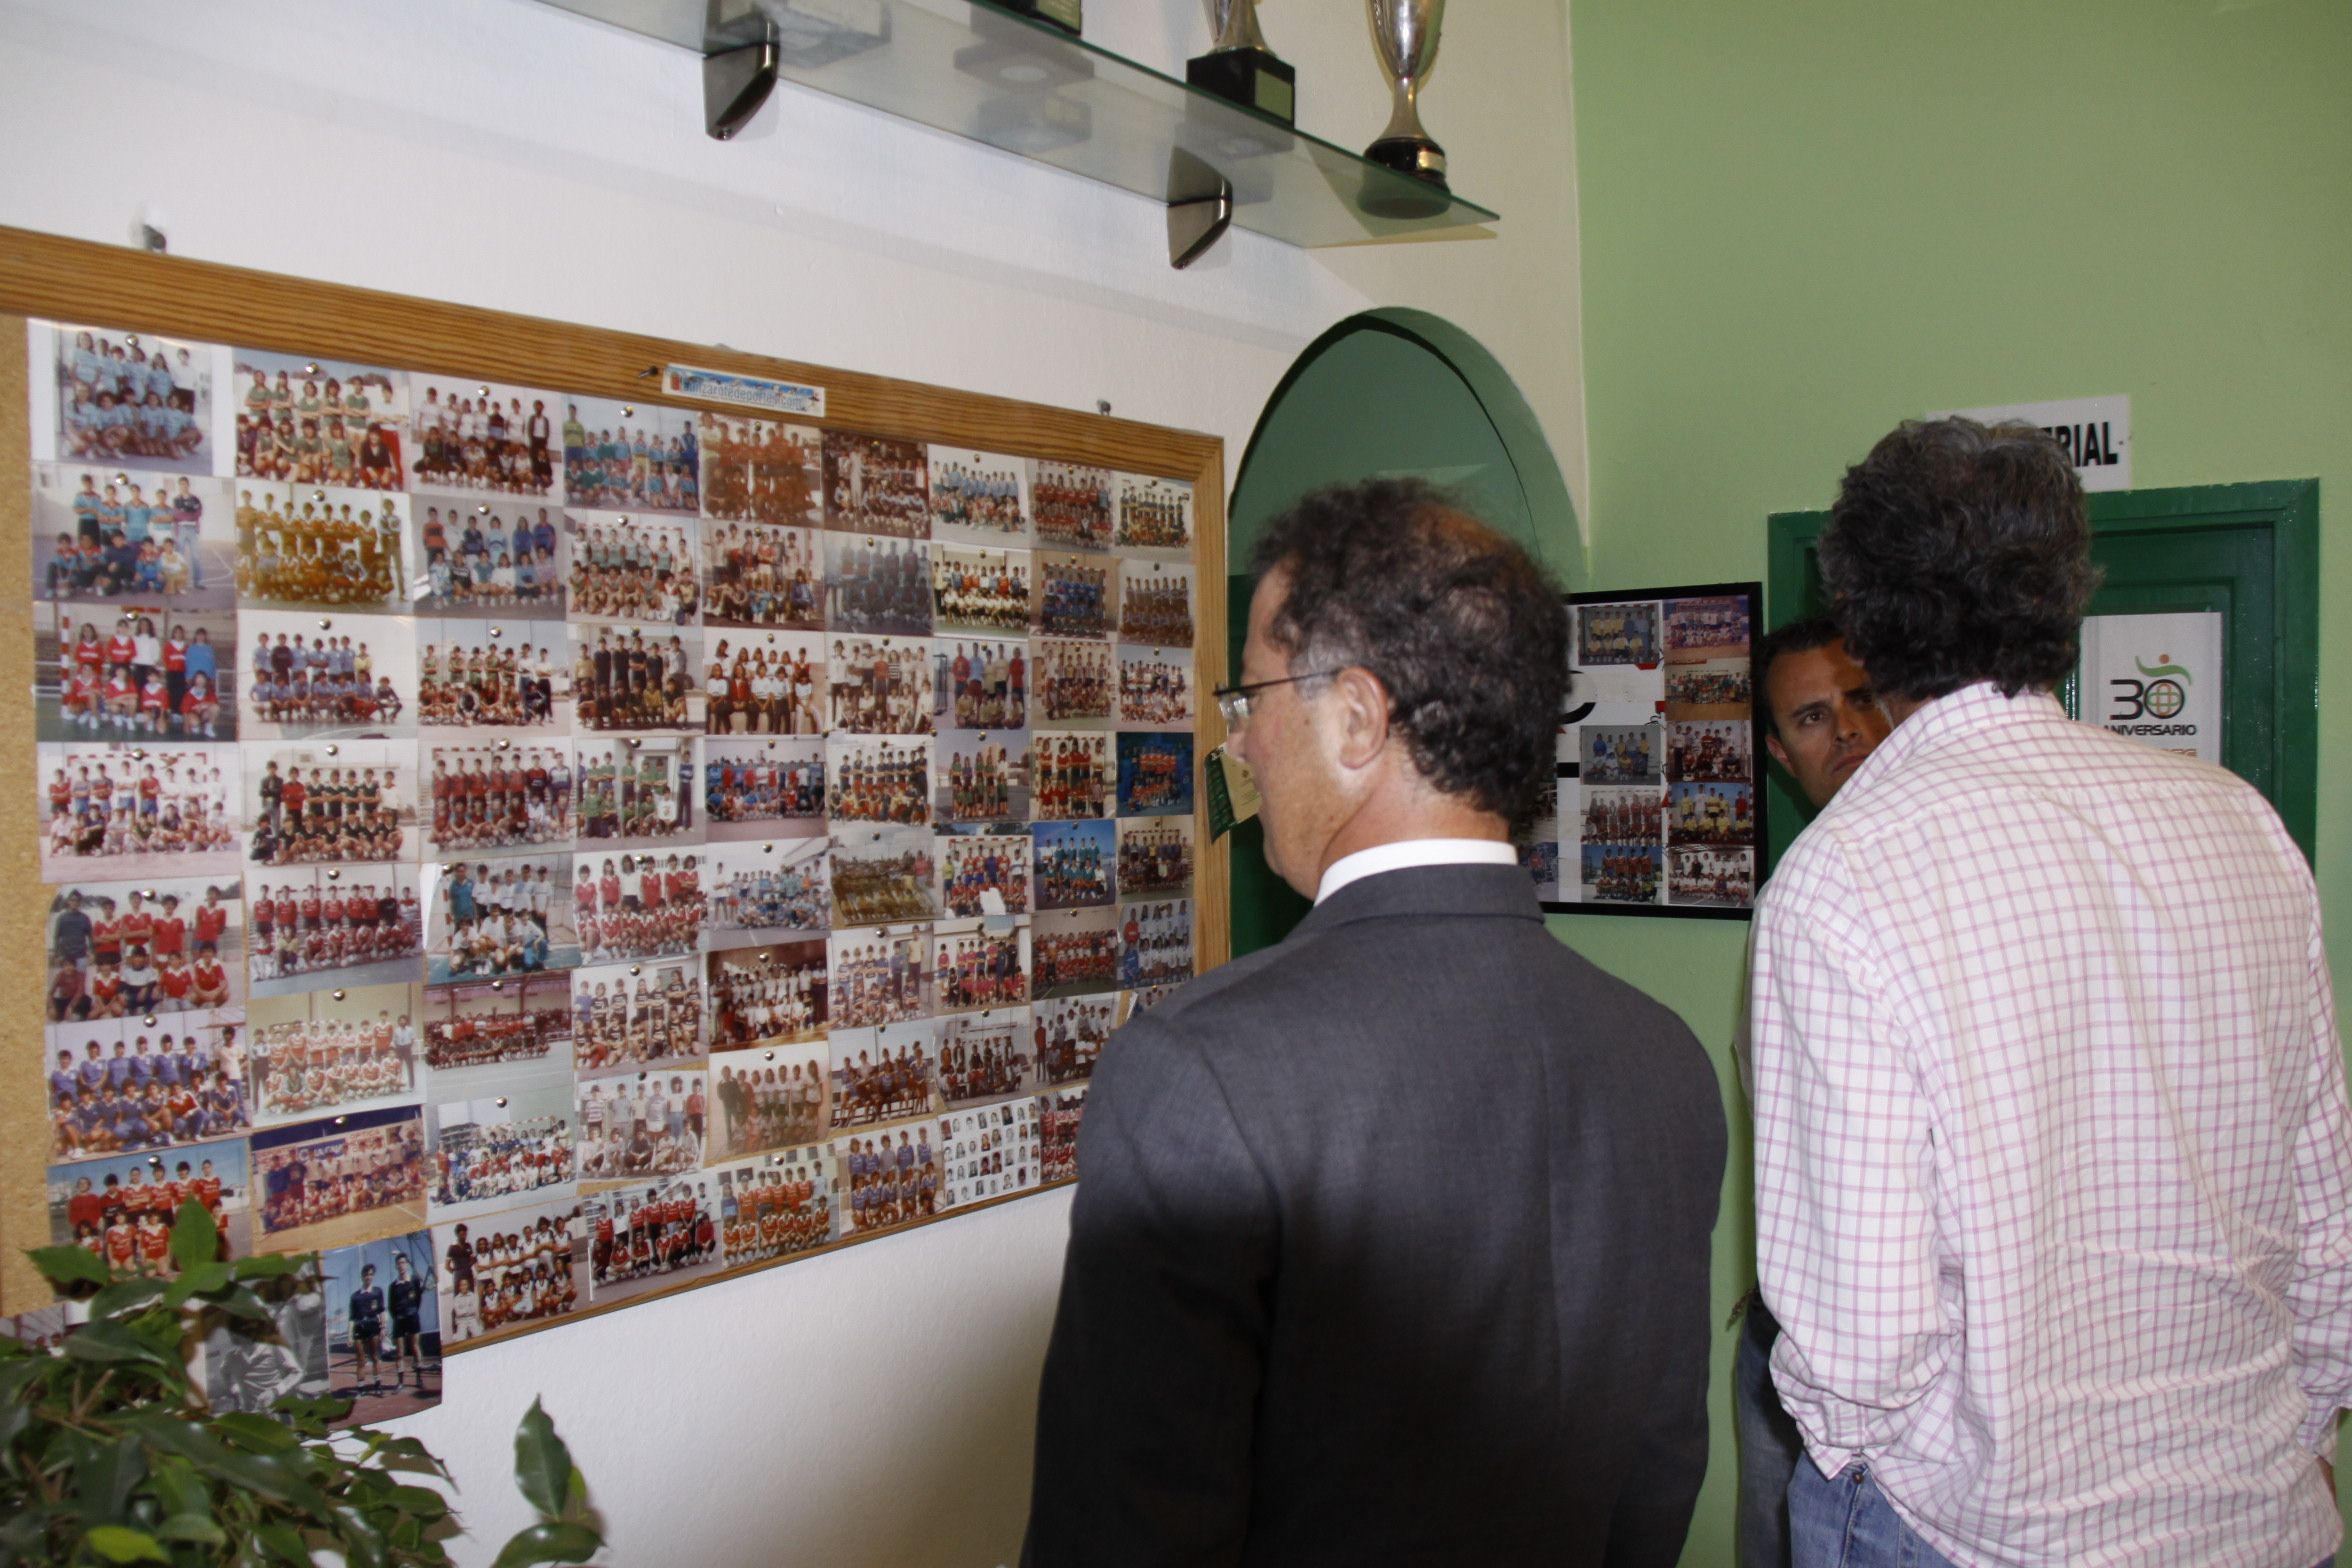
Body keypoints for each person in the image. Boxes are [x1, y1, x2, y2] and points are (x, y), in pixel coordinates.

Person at [1024, 478, 1726, 1566]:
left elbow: (1124, 1530)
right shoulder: (1663, 1054)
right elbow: (1659, 1467)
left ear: (1355, 717)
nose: (1241, 745)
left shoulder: (1200, 1070)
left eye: (1251, 697)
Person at [1751, 418, 2352, 1568]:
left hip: (1982, 1530)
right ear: (2064, 599)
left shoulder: (1843, 878)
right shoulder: (2240, 823)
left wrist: (1880, 1466)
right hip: (2266, 1510)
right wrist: (2297, 1432)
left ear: (1863, 619)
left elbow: (1860, 1343)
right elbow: (2328, 1227)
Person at [1733, 614, 1892, 1568]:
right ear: (1778, 752)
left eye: (1864, 699)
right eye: (1812, 717)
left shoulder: (1969, 881)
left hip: (1916, 1376)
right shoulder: (1787, 902)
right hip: (1787, 1344)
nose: (1847, 733)